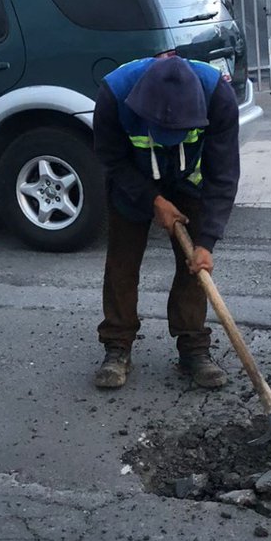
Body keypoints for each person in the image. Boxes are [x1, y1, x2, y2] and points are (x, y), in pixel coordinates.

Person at [92, 52, 240, 390]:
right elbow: (110, 159)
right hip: (132, 177)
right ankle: (117, 345)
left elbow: (224, 174)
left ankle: (193, 349)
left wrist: (206, 243)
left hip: (191, 180)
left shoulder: (218, 97)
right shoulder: (115, 95)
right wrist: (153, 200)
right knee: (122, 262)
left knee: (193, 266)